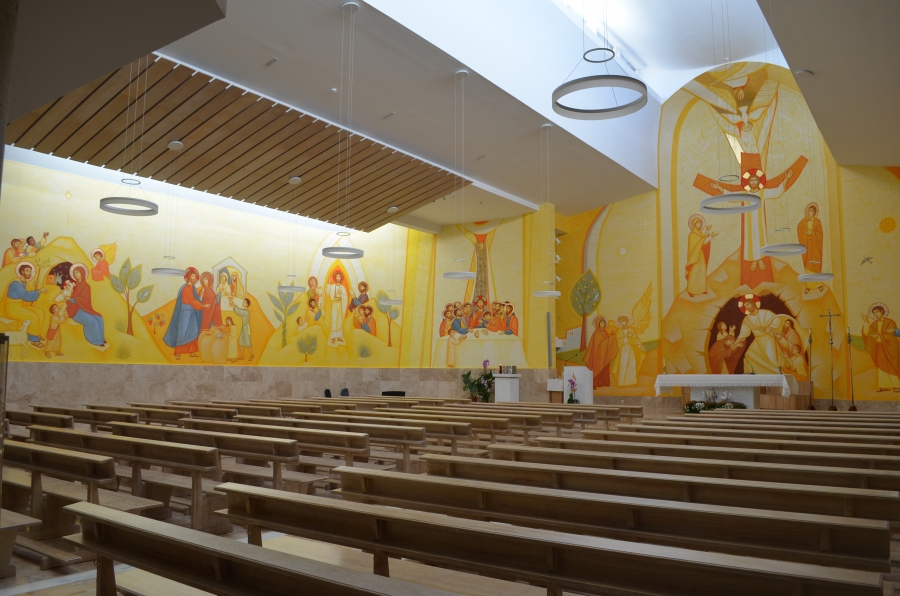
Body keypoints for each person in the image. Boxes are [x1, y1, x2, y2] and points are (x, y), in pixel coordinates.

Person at [163, 267, 209, 360]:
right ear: (188, 277)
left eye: (195, 276)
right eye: (192, 276)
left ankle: (191, 351)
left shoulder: (193, 288)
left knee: (193, 332)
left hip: (192, 313)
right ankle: (178, 352)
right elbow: (192, 301)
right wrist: (203, 306)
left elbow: (196, 299)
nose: (194, 278)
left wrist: (201, 295)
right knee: (183, 332)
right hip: (186, 314)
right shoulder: (185, 288)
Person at [733, 294, 782, 374]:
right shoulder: (747, 319)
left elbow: (777, 320)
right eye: (745, 307)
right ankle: (754, 377)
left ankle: (776, 376)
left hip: (768, 339)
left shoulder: (765, 312)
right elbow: (743, 334)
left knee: (772, 360)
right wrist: (735, 344)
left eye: (748, 304)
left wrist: (769, 328)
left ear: (753, 303)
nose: (748, 308)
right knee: (749, 355)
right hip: (758, 340)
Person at [2, 262, 47, 348]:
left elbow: (27, 294)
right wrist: (39, 291)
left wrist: (35, 286)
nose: (29, 273)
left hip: (19, 306)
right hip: (12, 308)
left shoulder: (23, 282)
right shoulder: (15, 283)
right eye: (27, 271)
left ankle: (36, 334)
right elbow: (26, 296)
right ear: (22, 272)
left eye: (30, 271)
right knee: (33, 316)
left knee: (40, 312)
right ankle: (33, 340)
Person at [67, 263, 107, 348]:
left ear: (82, 273)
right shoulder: (73, 286)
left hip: (83, 308)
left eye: (77, 272)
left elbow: (85, 300)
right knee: (92, 322)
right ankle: (96, 341)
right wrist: (70, 298)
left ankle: (101, 338)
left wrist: (72, 298)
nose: (75, 274)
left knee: (99, 318)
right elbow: (69, 296)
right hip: (74, 310)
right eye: (74, 272)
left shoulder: (86, 286)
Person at [862, 303, 900, 392]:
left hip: (889, 348)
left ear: (882, 311)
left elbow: (892, 336)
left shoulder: (890, 322)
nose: (875, 314)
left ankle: (896, 385)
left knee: (891, 365)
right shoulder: (874, 324)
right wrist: (866, 322)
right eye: (874, 312)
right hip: (879, 348)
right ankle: (884, 385)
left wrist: (879, 336)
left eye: (877, 312)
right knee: (881, 366)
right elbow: (867, 333)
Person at [685, 214, 716, 297]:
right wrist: (711, 236)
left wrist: (707, 230)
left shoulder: (699, 233)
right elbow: (703, 241)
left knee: (702, 272)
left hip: (700, 255)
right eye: (698, 223)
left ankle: (702, 289)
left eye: (700, 222)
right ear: (694, 224)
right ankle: (691, 290)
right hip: (694, 257)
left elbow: (703, 238)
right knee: (694, 273)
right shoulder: (692, 235)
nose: (699, 224)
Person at [798, 202, 826, 294]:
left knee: (816, 264)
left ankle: (819, 284)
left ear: (814, 212)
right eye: (809, 210)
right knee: (809, 265)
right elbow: (799, 229)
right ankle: (809, 286)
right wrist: (806, 234)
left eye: (812, 211)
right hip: (808, 245)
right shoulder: (804, 221)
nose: (811, 212)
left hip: (815, 246)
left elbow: (820, 233)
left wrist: (813, 233)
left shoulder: (817, 221)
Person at [583, 316, 619, 388]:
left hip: (604, 355)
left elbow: (607, 344)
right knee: (596, 368)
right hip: (597, 356)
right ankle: (594, 384)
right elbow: (599, 345)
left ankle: (604, 382)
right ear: (598, 324)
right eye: (601, 322)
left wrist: (611, 338)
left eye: (604, 322)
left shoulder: (604, 332)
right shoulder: (596, 333)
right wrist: (610, 338)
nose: (603, 323)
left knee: (605, 368)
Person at [613, 313, 646, 387]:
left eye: (623, 321)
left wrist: (640, 346)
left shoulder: (631, 330)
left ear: (626, 321)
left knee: (632, 365)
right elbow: (618, 341)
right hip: (623, 350)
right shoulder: (619, 331)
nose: (622, 322)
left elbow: (635, 339)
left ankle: (631, 382)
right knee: (623, 365)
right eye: (620, 321)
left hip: (630, 349)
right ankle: (620, 383)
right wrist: (627, 337)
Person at [326, 270, 348, 346]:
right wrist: (328, 283)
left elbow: (345, 297)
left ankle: (339, 336)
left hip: (340, 305)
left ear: (341, 278)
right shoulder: (332, 286)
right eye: (337, 276)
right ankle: (333, 337)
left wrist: (342, 294)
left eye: (339, 276)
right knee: (334, 319)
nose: (338, 278)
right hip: (334, 305)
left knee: (339, 320)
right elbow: (327, 293)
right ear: (335, 278)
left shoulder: (343, 288)